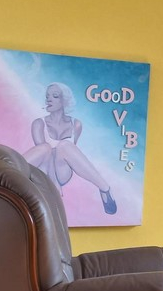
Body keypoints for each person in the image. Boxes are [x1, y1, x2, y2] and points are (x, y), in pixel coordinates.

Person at [23, 82, 117, 214]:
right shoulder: (39, 123)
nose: (49, 99)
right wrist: (55, 186)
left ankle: (105, 188)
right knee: (45, 148)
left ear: (64, 101)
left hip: (63, 171)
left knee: (65, 146)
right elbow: (45, 157)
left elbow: (73, 156)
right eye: (47, 96)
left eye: (55, 96)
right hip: (43, 171)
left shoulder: (76, 124)